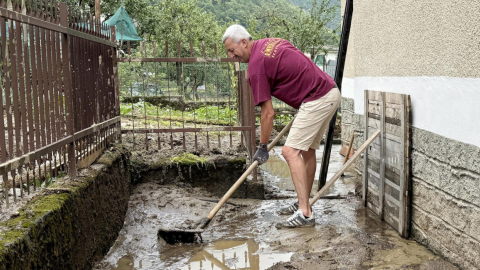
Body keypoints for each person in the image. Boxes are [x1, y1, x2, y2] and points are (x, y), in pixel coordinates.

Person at [222, 24, 340, 229]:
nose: (232, 56)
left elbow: (268, 114)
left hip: (317, 98)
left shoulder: (255, 70)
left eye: (232, 51)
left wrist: (262, 146)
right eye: (228, 52)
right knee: (307, 150)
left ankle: (305, 213)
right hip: (329, 91)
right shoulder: (269, 43)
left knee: (289, 150)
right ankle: (304, 201)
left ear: (243, 42)